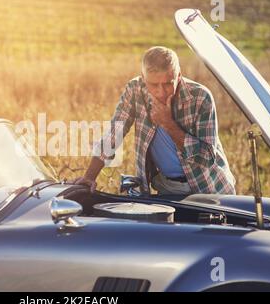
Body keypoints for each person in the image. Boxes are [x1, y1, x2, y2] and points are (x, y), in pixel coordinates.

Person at [74, 46, 236, 195]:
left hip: (208, 190)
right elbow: (113, 134)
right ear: (143, 79)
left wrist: (168, 124)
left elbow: (207, 158)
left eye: (167, 84)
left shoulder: (200, 97)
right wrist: (89, 177)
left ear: (179, 76)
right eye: (153, 84)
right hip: (167, 189)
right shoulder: (135, 90)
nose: (160, 91)